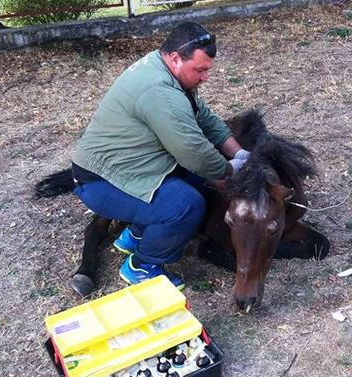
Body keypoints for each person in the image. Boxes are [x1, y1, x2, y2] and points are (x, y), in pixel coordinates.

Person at [71, 22, 250, 290]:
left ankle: (134, 236)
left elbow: (205, 119)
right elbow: (195, 153)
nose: (205, 78)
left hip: (127, 167)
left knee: (192, 182)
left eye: (207, 70)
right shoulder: (160, 90)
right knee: (186, 205)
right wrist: (231, 172)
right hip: (100, 181)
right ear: (176, 58)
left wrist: (240, 154)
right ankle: (141, 266)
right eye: (200, 70)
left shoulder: (163, 69)